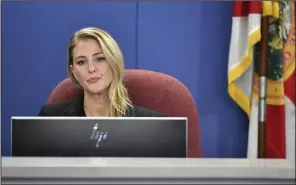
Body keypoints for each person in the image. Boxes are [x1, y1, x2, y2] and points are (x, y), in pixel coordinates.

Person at [38, 27, 162, 117]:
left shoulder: (151, 123)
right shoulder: (50, 116)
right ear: (74, 71)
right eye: (82, 62)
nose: (91, 69)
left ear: (114, 63)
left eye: (100, 59)